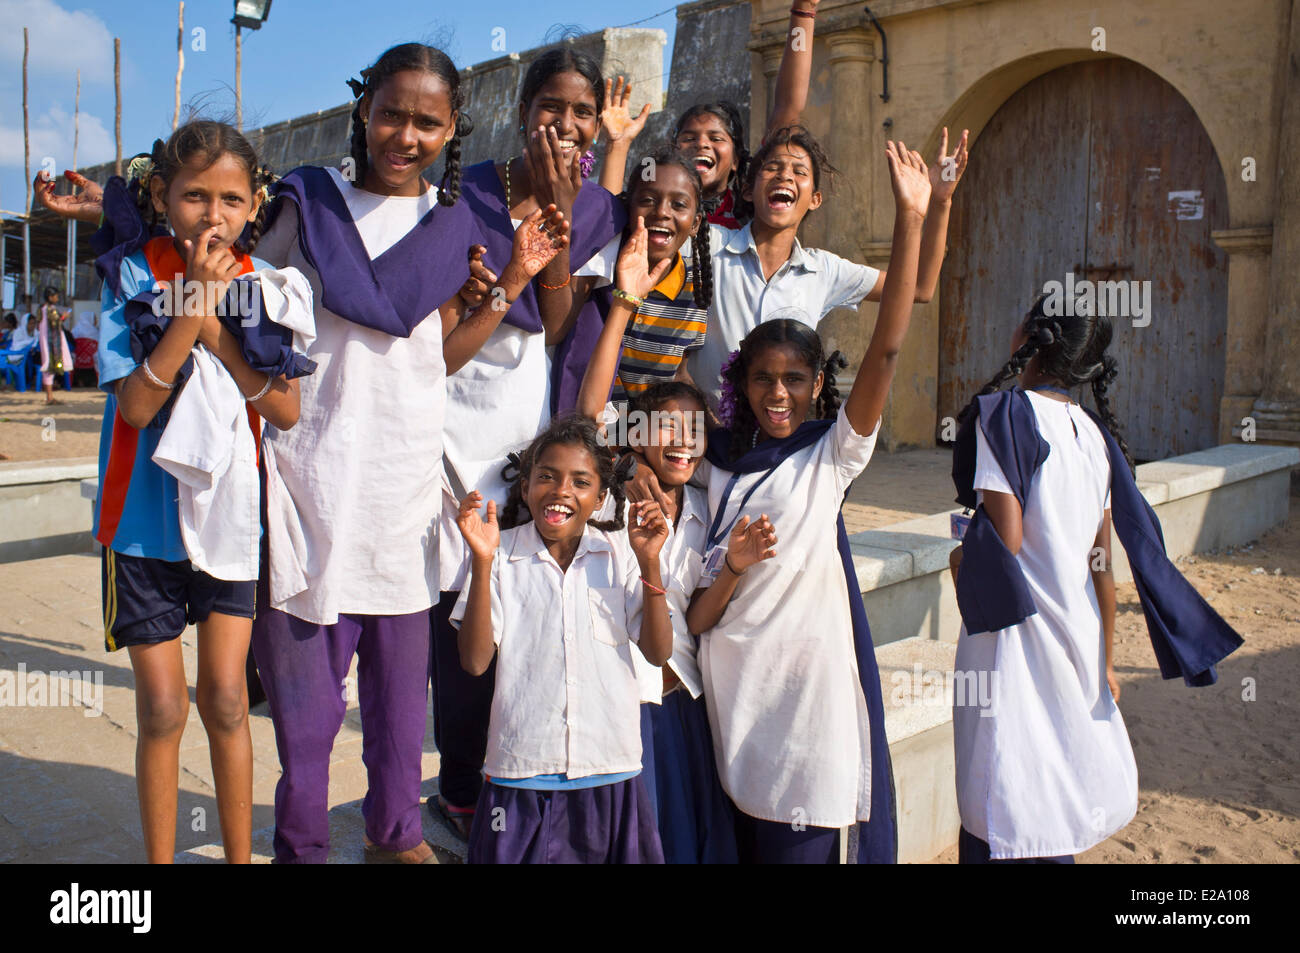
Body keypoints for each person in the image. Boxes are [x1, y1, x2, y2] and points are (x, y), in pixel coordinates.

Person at [250, 42, 569, 865]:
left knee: (398, 710)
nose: (406, 134)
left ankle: (395, 836)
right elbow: (253, 321)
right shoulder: (306, 205)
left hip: (398, 490)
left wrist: (510, 281)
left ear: (453, 128)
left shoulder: (458, 226)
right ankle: (303, 845)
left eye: (428, 121)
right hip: (310, 480)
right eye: (391, 112)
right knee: (310, 715)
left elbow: (438, 357)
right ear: (364, 109)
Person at [683, 140, 931, 863]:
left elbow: (886, 349)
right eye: (763, 379)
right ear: (740, 384)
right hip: (735, 702)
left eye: (796, 378)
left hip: (807, 707)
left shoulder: (831, 456)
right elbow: (701, 617)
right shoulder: (717, 470)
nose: (780, 393)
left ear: (819, 384)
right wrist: (731, 563)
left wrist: (914, 216)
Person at [946, 297, 1244, 863]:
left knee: (1001, 787)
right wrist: (1106, 653)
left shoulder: (1006, 416)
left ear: (1028, 338)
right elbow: (1100, 561)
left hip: (1015, 637)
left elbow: (1004, 544)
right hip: (1078, 631)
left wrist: (962, 562)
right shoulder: (1094, 437)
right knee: (1056, 789)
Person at [94, 119, 303, 864]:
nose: (212, 216)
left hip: (227, 522)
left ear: (254, 206)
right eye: (192, 196)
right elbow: (138, 407)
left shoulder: (261, 287)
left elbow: (283, 407)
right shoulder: (128, 275)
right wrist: (194, 314)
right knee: (160, 707)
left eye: (231, 199)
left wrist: (219, 330)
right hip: (141, 524)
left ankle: (239, 858)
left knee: (222, 697)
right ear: (160, 196)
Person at [429, 45, 624, 839]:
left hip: (523, 430)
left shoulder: (600, 210)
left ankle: (524, 785)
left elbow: (556, 324)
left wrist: (562, 209)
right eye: (553, 107)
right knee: (451, 616)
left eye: (583, 113)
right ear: (523, 110)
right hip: (449, 411)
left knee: (509, 608)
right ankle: (459, 788)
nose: (569, 124)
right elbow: (439, 307)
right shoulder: (464, 190)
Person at [573, 218, 743, 862]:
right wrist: (624, 304)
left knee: (683, 836)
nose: (679, 443)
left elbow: (700, 609)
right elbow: (590, 415)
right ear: (636, 435)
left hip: (683, 703)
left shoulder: (707, 509)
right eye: (664, 430)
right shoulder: (614, 495)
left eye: (692, 433)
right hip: (623, 702)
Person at [451, 414, 673, 864]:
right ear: (526, 486)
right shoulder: (500, 553)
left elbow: (658, 651)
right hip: (521, 771)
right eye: (546, 477)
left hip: (608, 767)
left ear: (600, 498)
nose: (561, 491)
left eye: (580, 481)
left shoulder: (619, 555)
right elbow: (474, 662)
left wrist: (650, 562)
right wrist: (481, 563)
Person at [687, 123, 968, 413]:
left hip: (779, 442)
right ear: (748, 190)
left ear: (815, 199)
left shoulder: (824, 270)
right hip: (709, 443)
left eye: (799, 171)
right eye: (772, 167)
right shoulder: (710, 243)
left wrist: (940, 201)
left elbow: (920, 287)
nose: (785, 175)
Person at [562, 145, 713, 403]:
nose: (662, 212)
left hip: (645, 438)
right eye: (647, 200)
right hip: (585, 423)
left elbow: (677, 372)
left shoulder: (696, 289)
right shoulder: (598, 270)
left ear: (695, 223)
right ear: (627, 208)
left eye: (678, 204)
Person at [38, 287, 72, 403]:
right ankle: (49, 396)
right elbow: (55, 322)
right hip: (51, 342)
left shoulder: (43, 309)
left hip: (48, 340)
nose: (57, 298)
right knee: (49, 365)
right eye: (55, 296)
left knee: (49, 365)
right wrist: (64, 317)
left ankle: (50, 395)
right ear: (50, 297)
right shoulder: (49, 309)